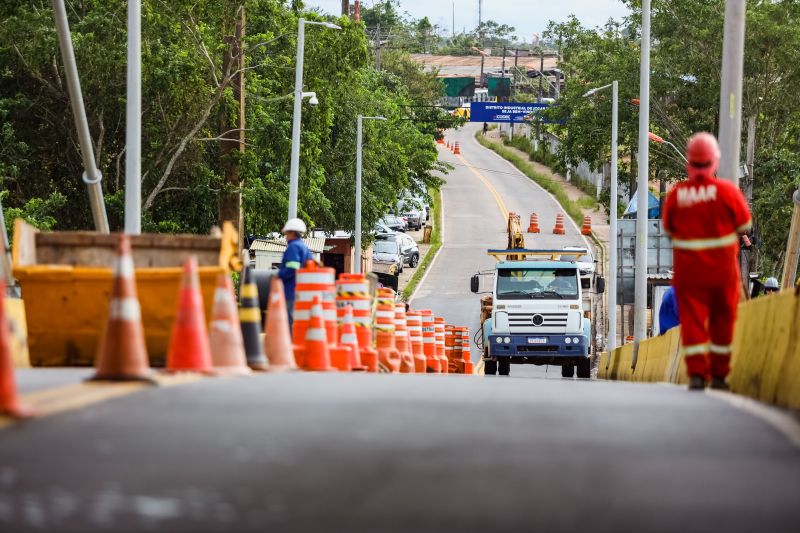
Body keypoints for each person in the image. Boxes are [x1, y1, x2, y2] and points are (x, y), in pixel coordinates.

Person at [662, 132, 752, 391]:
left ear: (689, 162)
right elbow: (744, 225)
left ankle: (698, 375)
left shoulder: (678, 194)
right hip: (722, 271)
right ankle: (721, 376)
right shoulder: (727, 192)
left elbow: (669, 229)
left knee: (692, 323)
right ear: (714, 162)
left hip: (690, 273)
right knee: (723, 321)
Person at [278, 218, 312, 329]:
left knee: (290, 321)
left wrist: (279, 275)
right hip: (302, 291)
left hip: (291, 290)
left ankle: (291, 344)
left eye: (287, 233)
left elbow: (292, 268)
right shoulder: (304, 248)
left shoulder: (293, 247)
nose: (286, 236)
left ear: (293, 233)